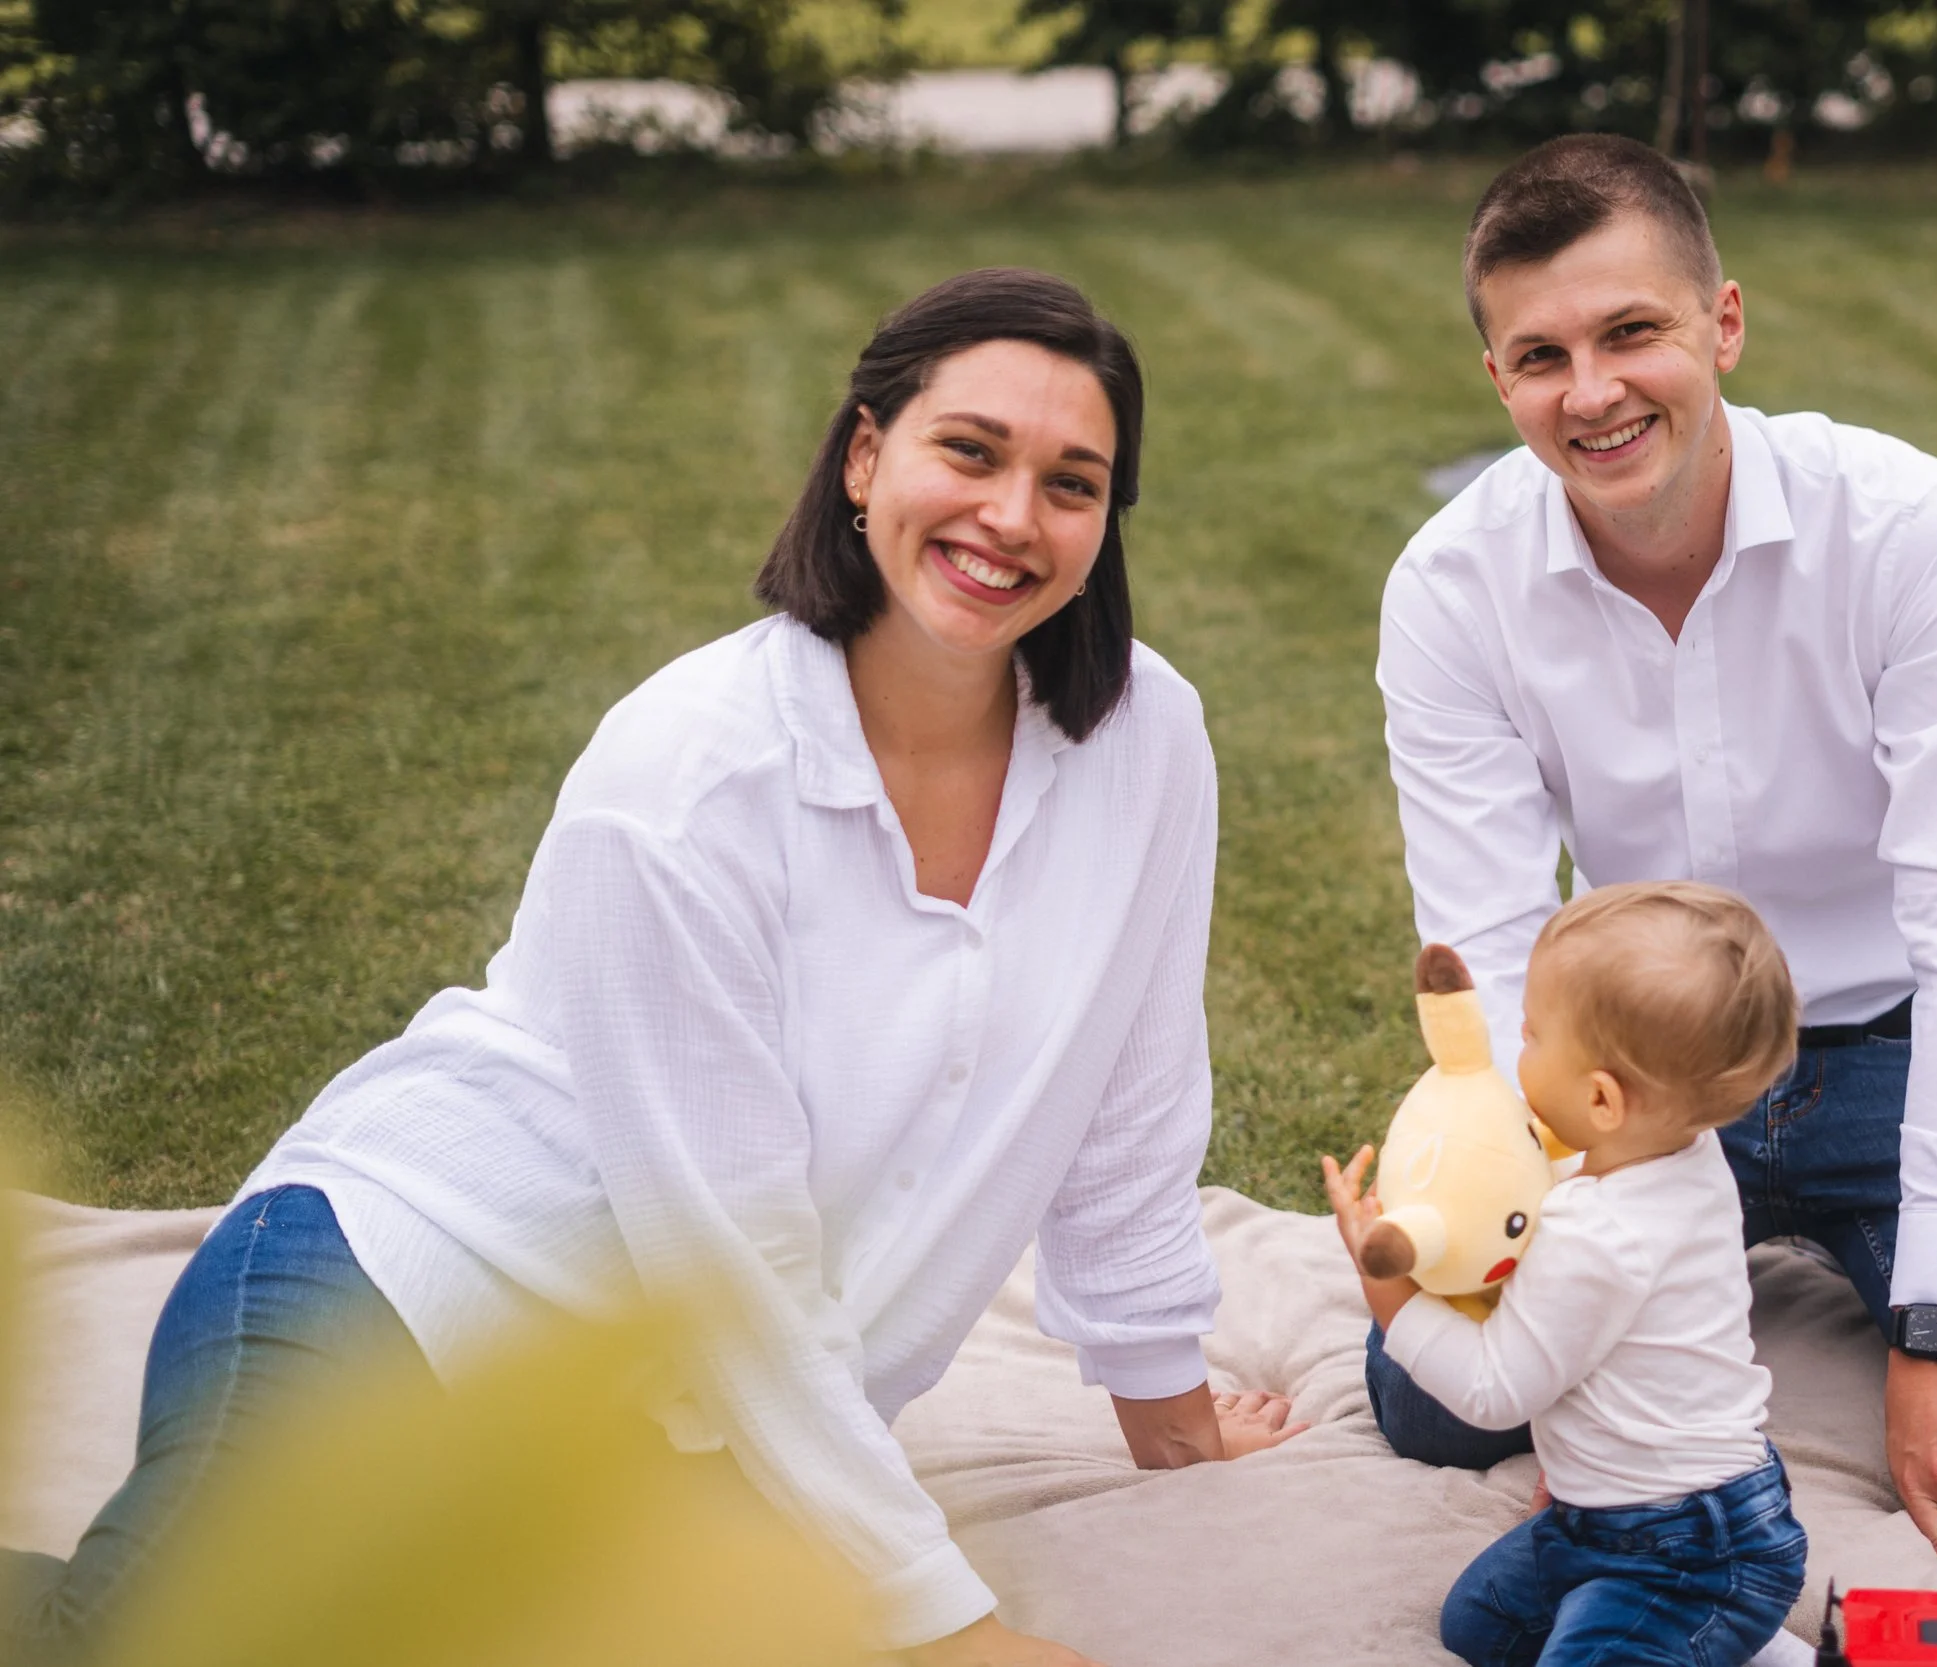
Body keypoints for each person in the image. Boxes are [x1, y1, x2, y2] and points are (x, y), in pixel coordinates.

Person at [2, 268, 1304, 1667]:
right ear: (866, 456)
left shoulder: (1145, 739)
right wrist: (950, 1628)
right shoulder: (686, 770)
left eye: (1072, 481)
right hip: (402, 1285)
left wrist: (1169, 1416)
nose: (1011, 517)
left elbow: (1132, 1099)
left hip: (679, 1425)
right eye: (969, 450)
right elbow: (732, 1251)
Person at [1369, 134, 1937, 1580]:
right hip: (1629, 1076)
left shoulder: (1907, 527)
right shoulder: (1450, 590)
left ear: (1723, 322)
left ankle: (1885, 1240)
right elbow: (1491, 949)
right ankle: (1698, 1250)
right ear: (1499, 379)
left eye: (1634, 331)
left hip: (1891, 1045)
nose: (1595, 390)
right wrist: (1507, 1175)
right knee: (1426, 1404)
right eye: (1543, 354)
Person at [1324, 882, 1807, 1667]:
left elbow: (1495, 1390)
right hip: (1604, 1521)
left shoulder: (1600, 1232)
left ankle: (1738, 1629)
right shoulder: (1687, 1150)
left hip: (1690, 1545)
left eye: (1533, 1034)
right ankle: (1724, 1637)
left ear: (1601, 1098)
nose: (1519, 1049)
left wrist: (1390, 1294)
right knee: (1479, 1625)